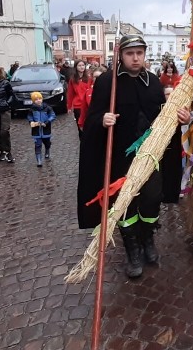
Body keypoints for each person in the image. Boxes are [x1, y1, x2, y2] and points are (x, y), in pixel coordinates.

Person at [76, 34, 168, 279]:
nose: (135, 58)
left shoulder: (154, 82)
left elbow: (163, 116)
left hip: (150, 154)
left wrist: (182, 118)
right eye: (130, 53)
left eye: (139, 53)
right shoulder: (108, 82)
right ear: (121, 55)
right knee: (125, 202)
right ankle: (132, 249)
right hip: (119, 155)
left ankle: (148, 239)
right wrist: (102, 120)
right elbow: (92, 117)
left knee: (151, 198)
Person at [27, 91, 55, 166]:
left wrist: (47, 122)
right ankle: (39, 160)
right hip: (36, 131)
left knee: (47, 142)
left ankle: (47, 150)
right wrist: (31, 122)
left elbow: (52, 115)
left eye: (39, 98)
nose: (38, 100)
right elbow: (29, 117)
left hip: (46, 129)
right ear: (33, 101)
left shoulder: (47, 108)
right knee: (38, 145)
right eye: (36, 99)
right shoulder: (32, 109)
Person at [66, 60, 89, 139]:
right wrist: (69, 107)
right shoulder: (73, 80)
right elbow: (70, 94)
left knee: (88, 125)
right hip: (78, 106)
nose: (82, 67)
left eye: (83, 65)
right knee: (80, 126)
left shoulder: (89, 78)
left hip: (88, 105)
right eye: (79, 65)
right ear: (76, 67)